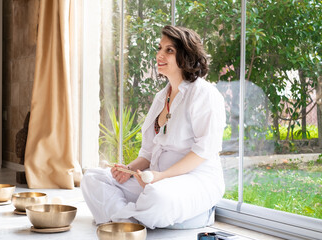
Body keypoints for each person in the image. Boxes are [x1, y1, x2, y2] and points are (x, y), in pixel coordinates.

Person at [81, 25, 226, 229]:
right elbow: (148, 153)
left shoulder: (205, 94)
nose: (159, 54)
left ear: (185, 55)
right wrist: (128, 169)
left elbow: (204, 151)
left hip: (193, 180)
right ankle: (131, 221)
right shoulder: (161, 97)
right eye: (159, 48)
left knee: (158, 197)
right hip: (154, 179)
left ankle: (122, 218)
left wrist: (161, 177)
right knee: (92, 178)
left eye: (169, 50)